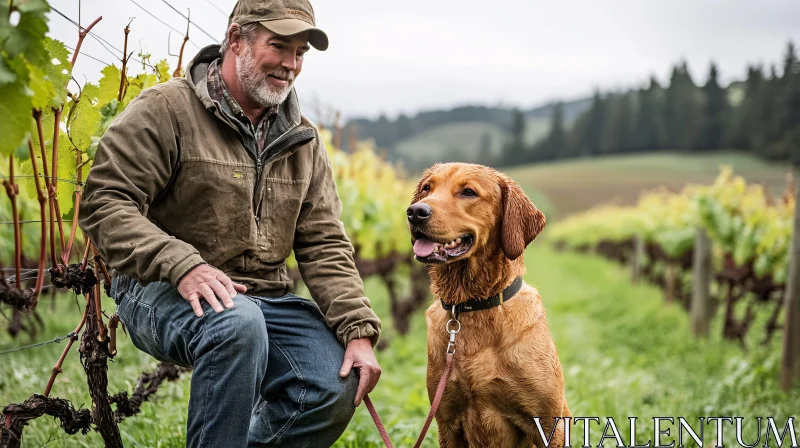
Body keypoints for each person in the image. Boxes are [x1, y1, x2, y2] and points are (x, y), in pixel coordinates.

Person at [78, 0, 383, 446]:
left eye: (300, 52)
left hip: (263, 298)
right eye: (278, 46)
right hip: (158, 287)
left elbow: (323, 242)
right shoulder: (166, 110)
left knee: (331, 379)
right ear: (236, 38)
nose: (291, 64)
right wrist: (182, 264)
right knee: (235, 323)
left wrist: (357, 330)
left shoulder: (302, 138)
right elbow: (105, 200)